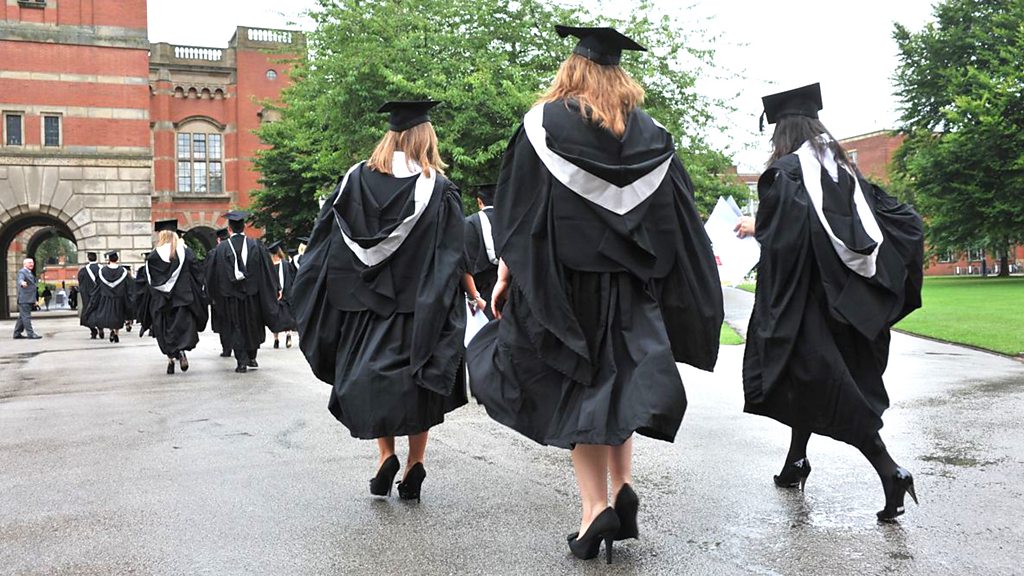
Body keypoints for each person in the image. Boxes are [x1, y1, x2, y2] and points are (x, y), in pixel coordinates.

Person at [466, 27, 724, 564]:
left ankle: (594, 510)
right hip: (632, 288)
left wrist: (507, 274)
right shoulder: (651, 134)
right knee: (618, 385)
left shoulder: (543, 125)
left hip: (568, 288)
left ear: (572, 70)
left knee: (581, 392)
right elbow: (674, 221)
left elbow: (519, 213)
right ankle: (623, 484)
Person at [742, 83, 925, 522]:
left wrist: (755, 226)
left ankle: (891, 471)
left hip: (808, 308)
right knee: (805, 382)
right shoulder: (844, 172)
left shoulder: (788, 173)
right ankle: (796, 461)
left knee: (829, 390)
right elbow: (898, 221)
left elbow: (786, 241)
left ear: (784, 132)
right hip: (846, 306)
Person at [291, 100, 469, 502]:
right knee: (417, 385)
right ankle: (415, 463)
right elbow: (450, 255)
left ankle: (386, 455)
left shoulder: (354, 179)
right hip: (417, 308)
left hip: (362, 307)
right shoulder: (438, 189)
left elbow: (324, 244)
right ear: (425, 137)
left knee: (372, 383)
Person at [204, 211, 285, 373]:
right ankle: (252, 357)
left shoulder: (220, 250)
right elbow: (267, 271)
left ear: (229, 229)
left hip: (230, 298)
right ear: (244, 227)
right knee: (253, 325)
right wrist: (276, 287)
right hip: (252, 296)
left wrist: (212, 295)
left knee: (236, 327)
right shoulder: (256, 246)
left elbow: (212, 275)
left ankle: (241, 362)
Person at [146, 220, 209, 374]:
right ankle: (181, 351)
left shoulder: (153, 256)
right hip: (183, 299)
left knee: (166, 331)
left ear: (161, 235)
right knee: (183, 329)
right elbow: (197, 273)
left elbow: (150, 282)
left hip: (163, 302)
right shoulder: (185, 252)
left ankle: (170, 359)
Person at [463, 184, 499, 320]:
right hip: (511, 291)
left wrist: (475, 298)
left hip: (482, 292)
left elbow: (464, 265)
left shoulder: (469, 223)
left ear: (479, 201)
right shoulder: (512, 221)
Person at [82, 251, 133, 343]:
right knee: (118, 317)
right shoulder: (123, 272)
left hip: (106, 299)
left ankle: (111, 330)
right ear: (117, 259)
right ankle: (116, 333)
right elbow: (129, 287)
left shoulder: (102, 271)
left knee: (109, 316)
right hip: (119, 298)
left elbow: (98, 287)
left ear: (109, 259)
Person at [267, 240, 298, 349]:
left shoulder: (275, 266)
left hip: (280, 295)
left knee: (280, 317)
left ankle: (281, 337)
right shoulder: (282, 264)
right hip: (280, 295)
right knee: (282, 316)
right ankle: (282, 336)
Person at [208, 227, 233, 358]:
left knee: (223, 322)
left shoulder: (213, 253)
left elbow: (209, 276)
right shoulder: (234, 251)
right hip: (234, 293)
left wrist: (210, 295)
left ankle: (226, 348)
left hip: (219, 295)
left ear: (218, 240)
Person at [77, 252, 104, 339]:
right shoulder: (103, 269)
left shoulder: (83, 271)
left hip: (88, 297)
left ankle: (93, 330)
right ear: (96, 258)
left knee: (88, 314)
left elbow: (81, 286)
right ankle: (100, 327)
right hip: (100, 296)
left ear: (88, 258)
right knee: (100, 312)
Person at [12, 258, 42, 339]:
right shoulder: (22, 272)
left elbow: (33, 288)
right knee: (26, 317)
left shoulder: (29, 273)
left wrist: (35, 300)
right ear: (24, 264)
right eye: (29, 263)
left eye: (32, 263)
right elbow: (20, 279)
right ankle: (30, 334)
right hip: (24, 299)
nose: (31, 264)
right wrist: (22, 283)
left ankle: (17, 333)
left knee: (22, 317)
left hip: (29, 298)